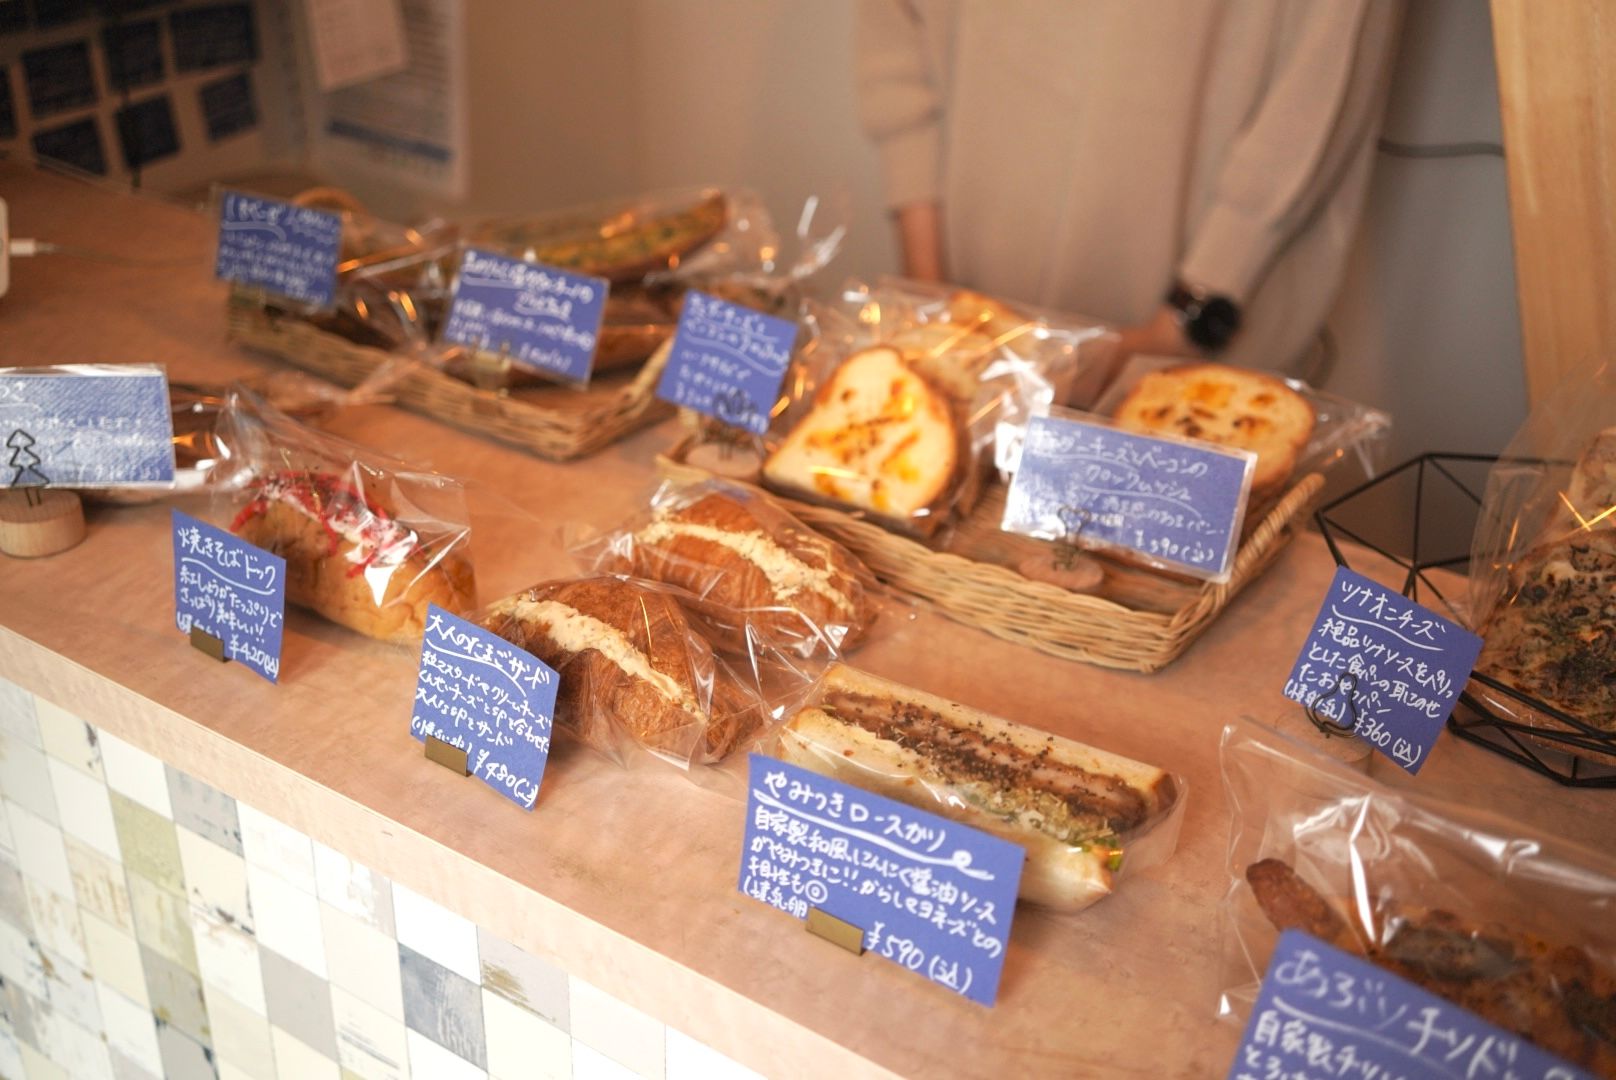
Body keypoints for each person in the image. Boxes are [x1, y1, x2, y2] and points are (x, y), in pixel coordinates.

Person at [855, 0, 1404, 381]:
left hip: (1193, 354)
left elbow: (1327, 67)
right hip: (964, 322)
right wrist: (929, 289)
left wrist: (1180, 325)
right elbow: (896, 36)